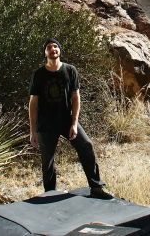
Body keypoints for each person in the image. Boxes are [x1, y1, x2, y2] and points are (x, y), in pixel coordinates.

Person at [28, 38, 113, 199]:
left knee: (86, 145)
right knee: (47, 160)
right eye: (49, 47)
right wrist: (32, 130)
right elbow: (33, 102)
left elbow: (76, 98)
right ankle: (50, 194)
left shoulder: (70, 70)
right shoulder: (38, 74)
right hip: (46, 123)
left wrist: (74, 123)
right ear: (45, 53)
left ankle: (96, 187)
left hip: (67, 120)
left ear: (59, 50)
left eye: (55, 46)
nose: (53, 49)